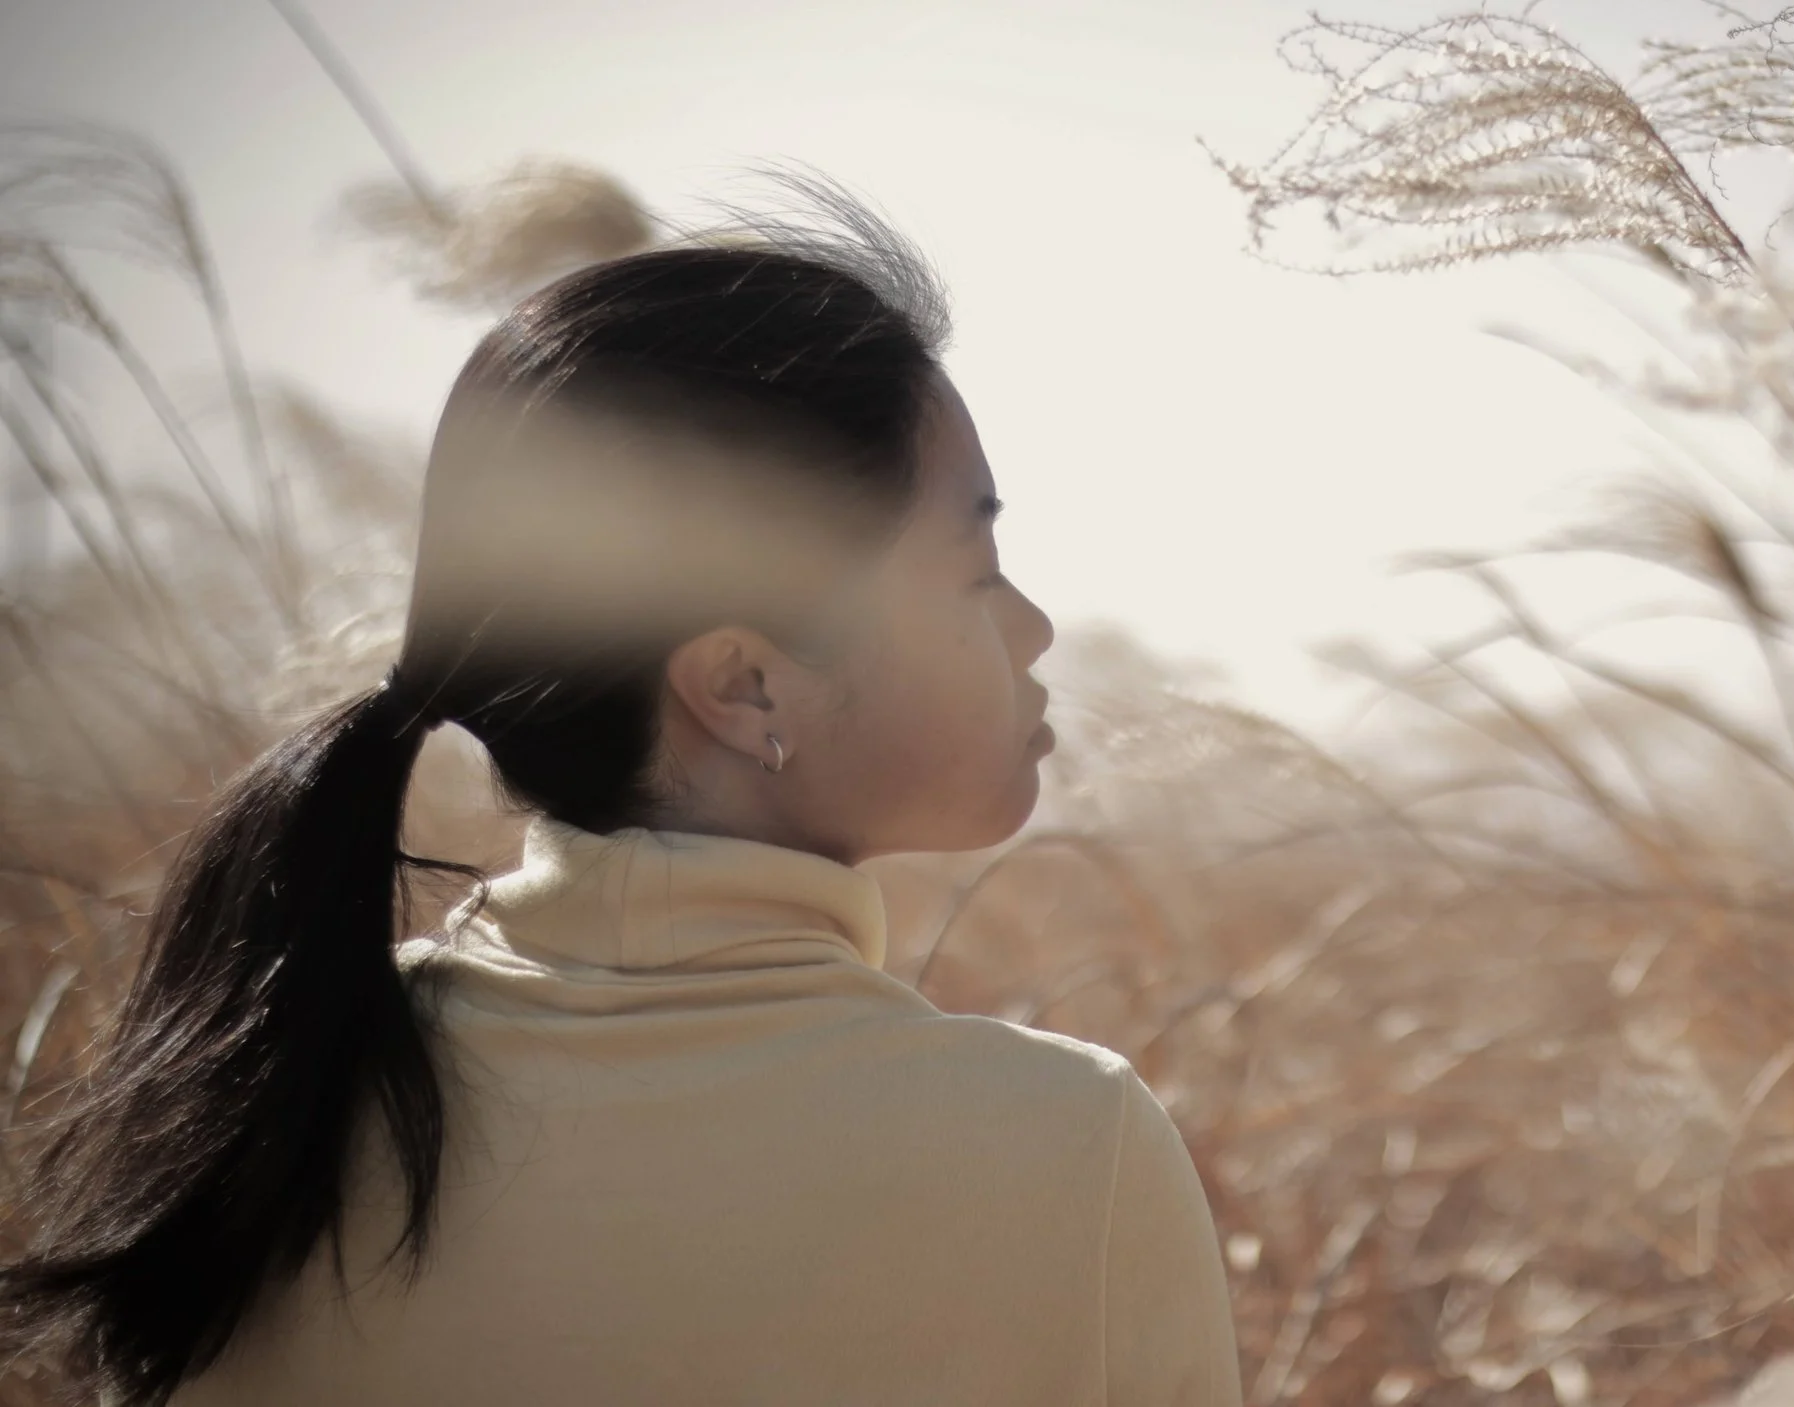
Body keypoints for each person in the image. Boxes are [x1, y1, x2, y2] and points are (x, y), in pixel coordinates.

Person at [0, 185, 1243, 1406]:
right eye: (977, 568)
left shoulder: (264, 1101)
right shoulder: (1067, 1147)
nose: (1033, 627)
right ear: (746, 684)